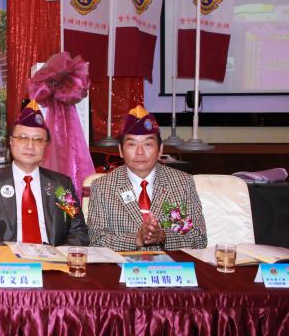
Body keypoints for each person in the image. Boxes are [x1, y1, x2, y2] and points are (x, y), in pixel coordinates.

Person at [88, 106, 207, 251]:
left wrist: (163, 236)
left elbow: (198, 239)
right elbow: (96, 240)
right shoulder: (102, 187)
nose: (140, 152)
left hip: (169, 264)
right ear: (120, 150)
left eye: (148, 144)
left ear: (160, 150)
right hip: (122, 265)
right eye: (132, 144)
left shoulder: (182, 183)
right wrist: (137, 239)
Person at [0, 102, 89, 247]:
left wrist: (59, 254)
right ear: (11, 142)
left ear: (46, 145)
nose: (30, 145)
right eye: (23, 137)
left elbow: (79, 232)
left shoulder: (61, 184)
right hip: (7, 257)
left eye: (38, 140)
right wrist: (11, 254)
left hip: (54, 257)